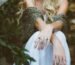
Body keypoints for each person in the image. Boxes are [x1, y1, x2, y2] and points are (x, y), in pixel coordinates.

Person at [16, 0, 71, 65]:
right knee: (38, 34)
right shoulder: (28, 1)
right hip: (31, 49)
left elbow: (60, 22)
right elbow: (38, 23)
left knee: (60, 34)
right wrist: (56, 42)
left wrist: (50, 27)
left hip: (51, 50)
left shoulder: (62, 1)